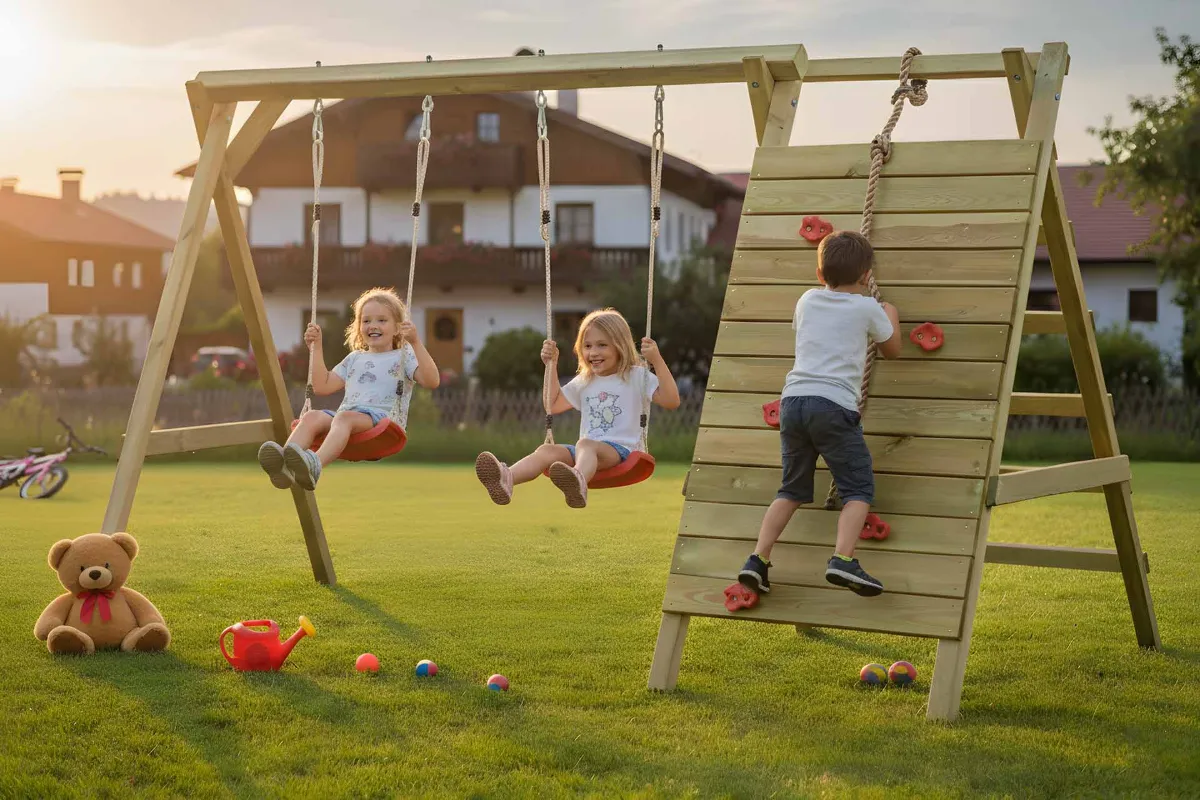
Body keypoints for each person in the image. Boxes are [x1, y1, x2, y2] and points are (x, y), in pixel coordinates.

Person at [737, 231, 902, 597]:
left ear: (819, 274)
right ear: (865, 276)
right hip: (832, 406)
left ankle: (757, 559)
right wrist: (889, 310)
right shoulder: (867, 307)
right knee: (858, 488)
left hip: (793, 402)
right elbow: (892, 349)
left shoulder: (807, 300)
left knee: (791, 489)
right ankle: (843, 558)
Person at [474, 308, 680, 509]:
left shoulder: (635, 376)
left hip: (621, 451)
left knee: (585, 444)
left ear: (620, 346)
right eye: (587, 345)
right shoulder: (585, 381)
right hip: (585, 455)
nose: (593, 352)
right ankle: (506, 478)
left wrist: (656, 360)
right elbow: (552, 404)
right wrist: (551, 364)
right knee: (547, 451)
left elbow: (672, 400)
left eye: (602, 345)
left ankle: (577, 481)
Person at [257, 287, 440, 490]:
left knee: (344, 417)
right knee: (312, 417)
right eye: (366, 320)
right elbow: (322, 385)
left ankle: (314, 464)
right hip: (346, 418)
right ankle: (283, 464)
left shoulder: (403, 356)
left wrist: (415, 342)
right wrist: (316, 348)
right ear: (358, 326)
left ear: (398, 328)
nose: (373, 325)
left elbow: (432, 381)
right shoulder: (354, 359)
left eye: (382, 320)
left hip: (381, 420)